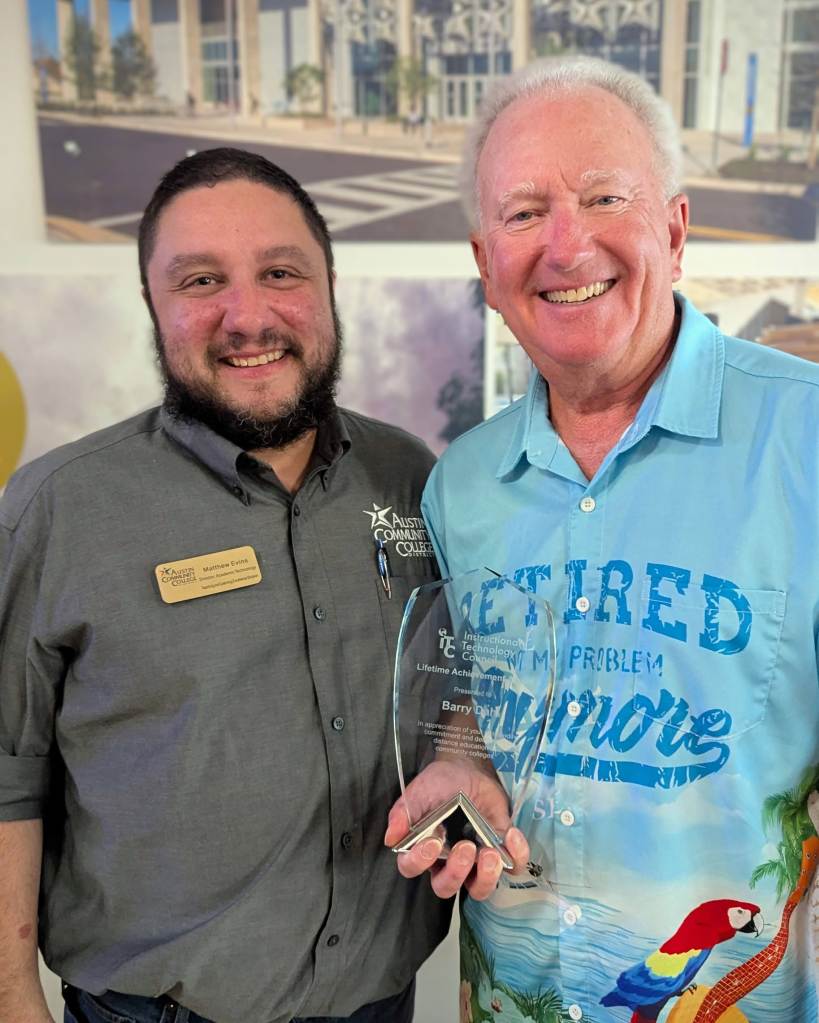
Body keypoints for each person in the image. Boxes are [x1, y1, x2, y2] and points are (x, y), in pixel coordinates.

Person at [386, 56, 819, 1022]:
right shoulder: (461, 483)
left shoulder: (808, 439)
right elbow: (476, 687)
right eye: (524, 211)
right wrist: (460, 756)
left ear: (674, 227)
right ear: (484, 263)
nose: (565, 244)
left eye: (602, 196)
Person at [0, 147, 450, 1023]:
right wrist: (12, 995)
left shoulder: (409, 476)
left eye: (280, 272)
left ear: (327, 285)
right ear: (151, 305)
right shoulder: (58, 506)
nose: (248, 316)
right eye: (201, 280)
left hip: (383, 1002)